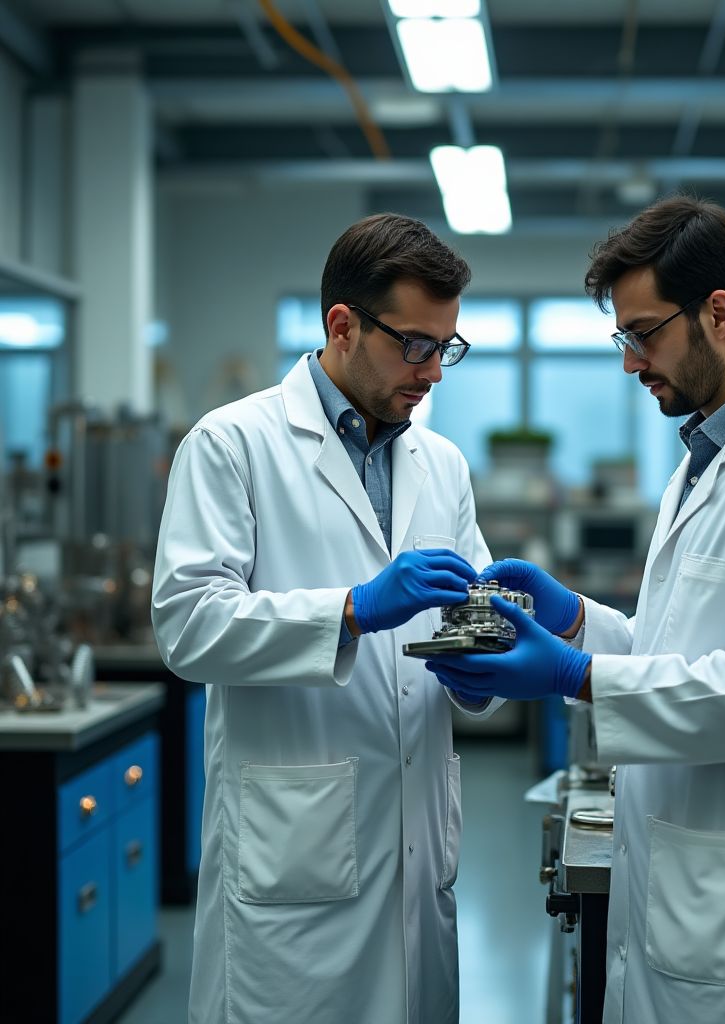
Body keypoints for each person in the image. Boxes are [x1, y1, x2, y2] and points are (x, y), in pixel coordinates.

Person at [427, 195, 725, 1024]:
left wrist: (574, 672)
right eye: (625, 338)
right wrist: (577, 620)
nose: (631, 363)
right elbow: (673, 649)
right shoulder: (703, 463)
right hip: (679, 887)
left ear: (719, 314)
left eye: (643, 334)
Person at [151, 213, 498, 1024]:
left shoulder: (439, 463)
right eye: (416, 345)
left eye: (447, 347)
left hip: (417, 858)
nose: (434, 373)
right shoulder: (233, 444)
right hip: (293, 862)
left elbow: (463, 619)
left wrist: (494, 643)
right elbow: (188, 624)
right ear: (342, 326)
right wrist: (352, 610)